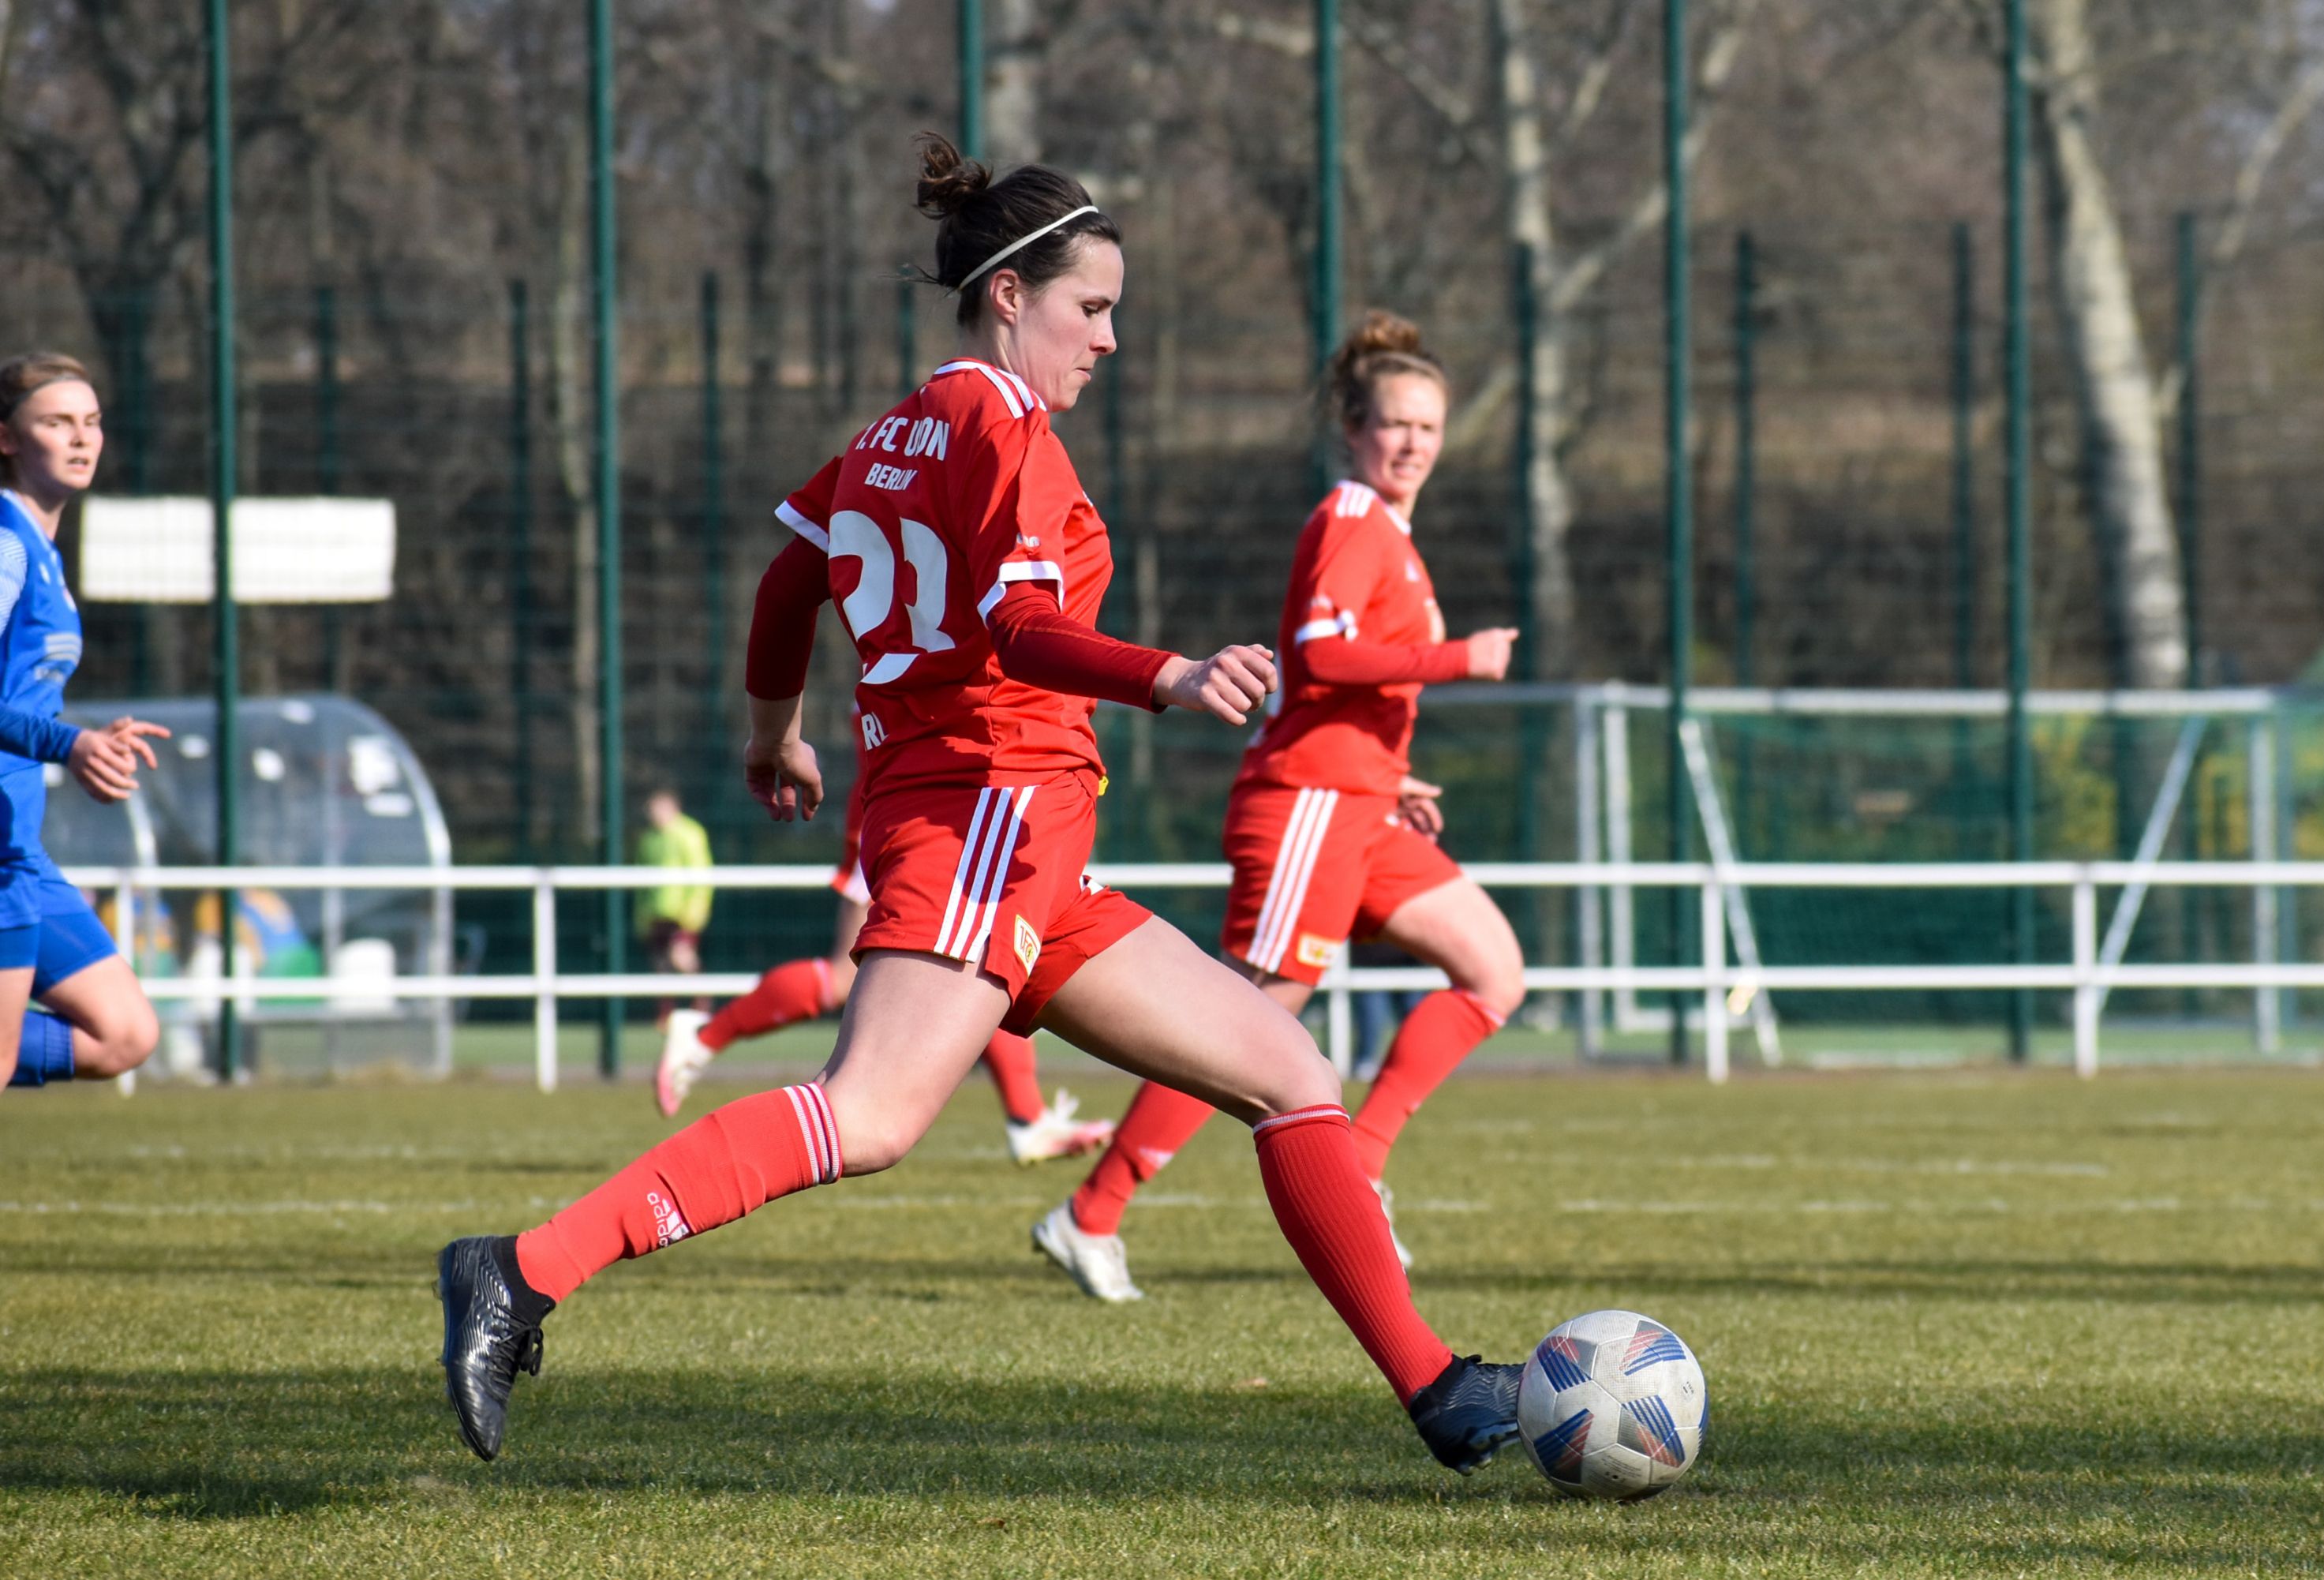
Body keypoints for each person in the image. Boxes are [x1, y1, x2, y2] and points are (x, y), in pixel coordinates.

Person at [437, 139, 1521, 1476]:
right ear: (1010, 294)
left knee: (1293, 1078)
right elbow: (1017, 623)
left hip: (1022, 845)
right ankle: (518, 1269)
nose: (1111, 338)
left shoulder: (899, 428)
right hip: (989, 814)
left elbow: (791, 586)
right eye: (1094, 307)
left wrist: (774, 737)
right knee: (872, 1116)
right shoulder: (1004, 431)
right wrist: (1167, 672)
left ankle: (1439, 1391)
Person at [1035, 313, 1525, 1299]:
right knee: (1246, 1026)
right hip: (1306, 805)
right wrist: (1458, 658)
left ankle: (1367, 1165)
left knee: (1494, 971)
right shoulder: (1350, 517)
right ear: (1354, 428)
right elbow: (1320, 656)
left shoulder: (1388, 531)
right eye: (1396, 424)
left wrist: (1394, 773)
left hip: (1361, 805)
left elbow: (1345, 687)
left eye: (1429, 426)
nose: (1414, 443)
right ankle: (1092, 1213)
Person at [653, 706, 1116, 1166]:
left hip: (953, 796)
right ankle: (705, 1037)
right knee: (854, 974)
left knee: (986, 953)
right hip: (923, 801)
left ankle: (1028, 1118)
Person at [0, 352, 167, 1089]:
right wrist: (69, 743)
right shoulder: (5, 546)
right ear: (7, 439)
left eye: (92, 422)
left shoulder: (41, 549)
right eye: (57, 422)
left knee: (122, 1033)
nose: (81, 438)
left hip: (17, 842)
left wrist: (91, 741)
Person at [634, 788, 713, 1022]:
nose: (653, 814)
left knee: (681, 957)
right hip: (656, 915)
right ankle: (666, 1014)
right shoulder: (648, 838)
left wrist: (694, 912)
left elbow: (701, 876)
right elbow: (641, 882)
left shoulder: (689, 834)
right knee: (661, 965)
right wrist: (641, 916)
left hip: (683, 914)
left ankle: (702, 1006)